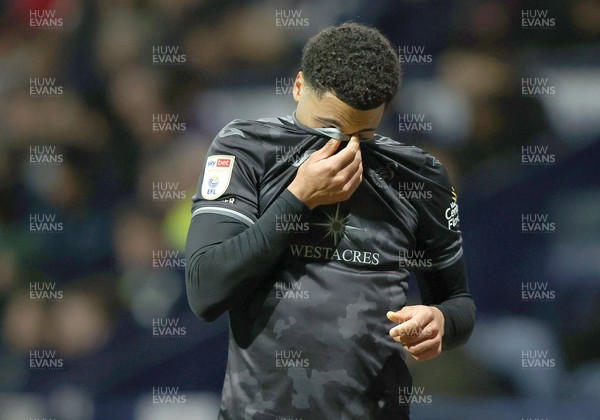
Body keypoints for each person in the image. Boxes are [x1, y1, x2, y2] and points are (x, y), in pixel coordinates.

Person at [185, 22, 476, 419]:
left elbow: (458, 303)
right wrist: (298, 198)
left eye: (365, 133)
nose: (345, 148)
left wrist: (440, 320)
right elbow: (206, 289)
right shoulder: (247, 149)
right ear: (299, 85)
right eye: (328, 128)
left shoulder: (419, 176)